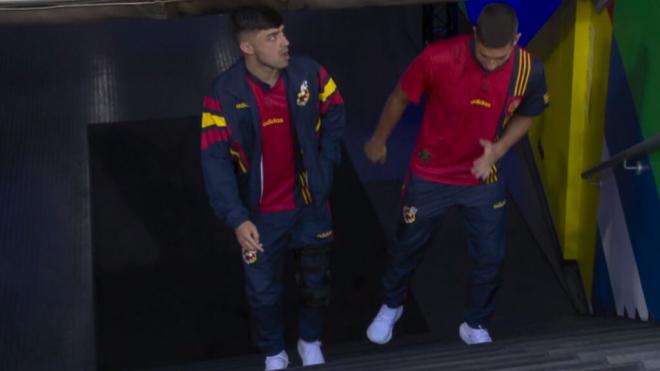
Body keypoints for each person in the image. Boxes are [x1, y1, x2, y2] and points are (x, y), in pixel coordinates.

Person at [363, 3, 549, 345]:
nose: (491, 63)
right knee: (406, 246)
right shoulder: (438, 58)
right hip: (430, 173)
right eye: (484, 55)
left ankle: (475, 323)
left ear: (517, 41)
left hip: (483, 177)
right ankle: (392, 305)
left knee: (491, 256)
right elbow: (400, 97)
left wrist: (499, 149)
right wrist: (378, 139)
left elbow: (529, 112)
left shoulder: (529, 69)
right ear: (473, 35)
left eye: (500, 57)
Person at [200, 6, 345, 370]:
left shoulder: (309, 73)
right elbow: (214, 161)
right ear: (246, 47)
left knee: (316, 284)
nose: (286, 42)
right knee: (263, 294)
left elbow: (336, 112)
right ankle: (274, 353)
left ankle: (309, 343)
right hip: (260, 217)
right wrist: (236, 218)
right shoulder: (222, 94)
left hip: (309, 208)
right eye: (272, 37)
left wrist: (324, 167)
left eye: (283, 32)